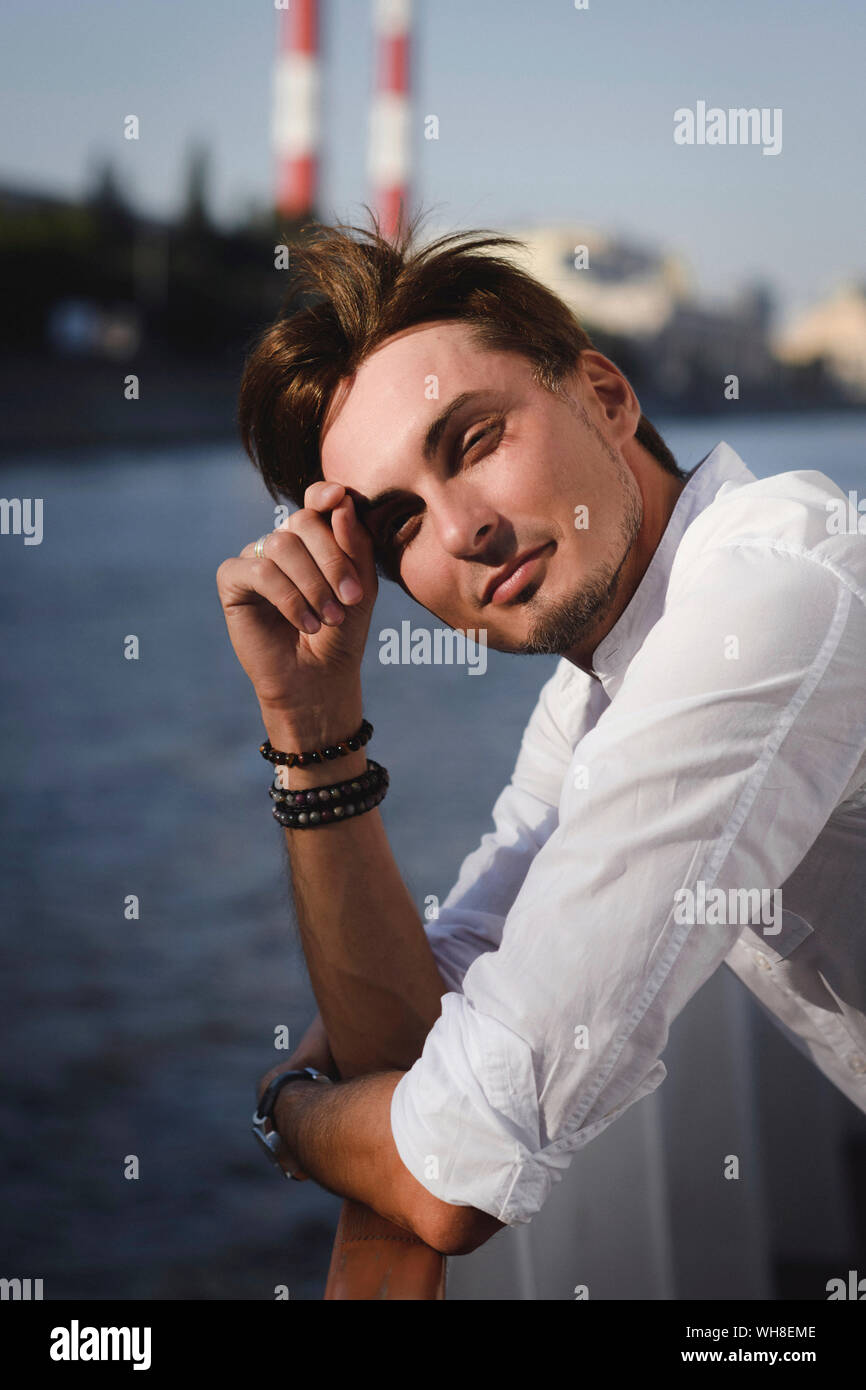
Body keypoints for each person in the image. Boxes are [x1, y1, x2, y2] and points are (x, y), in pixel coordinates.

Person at [215, 215, 866, 1257]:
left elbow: (456, 1170)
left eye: (473, 441)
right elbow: (428, 1022)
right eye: (399, 526)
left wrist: (285, 1112)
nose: (463, 529)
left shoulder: (766, 598)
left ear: (603, 396)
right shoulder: (593, 696)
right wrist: (310, 725)